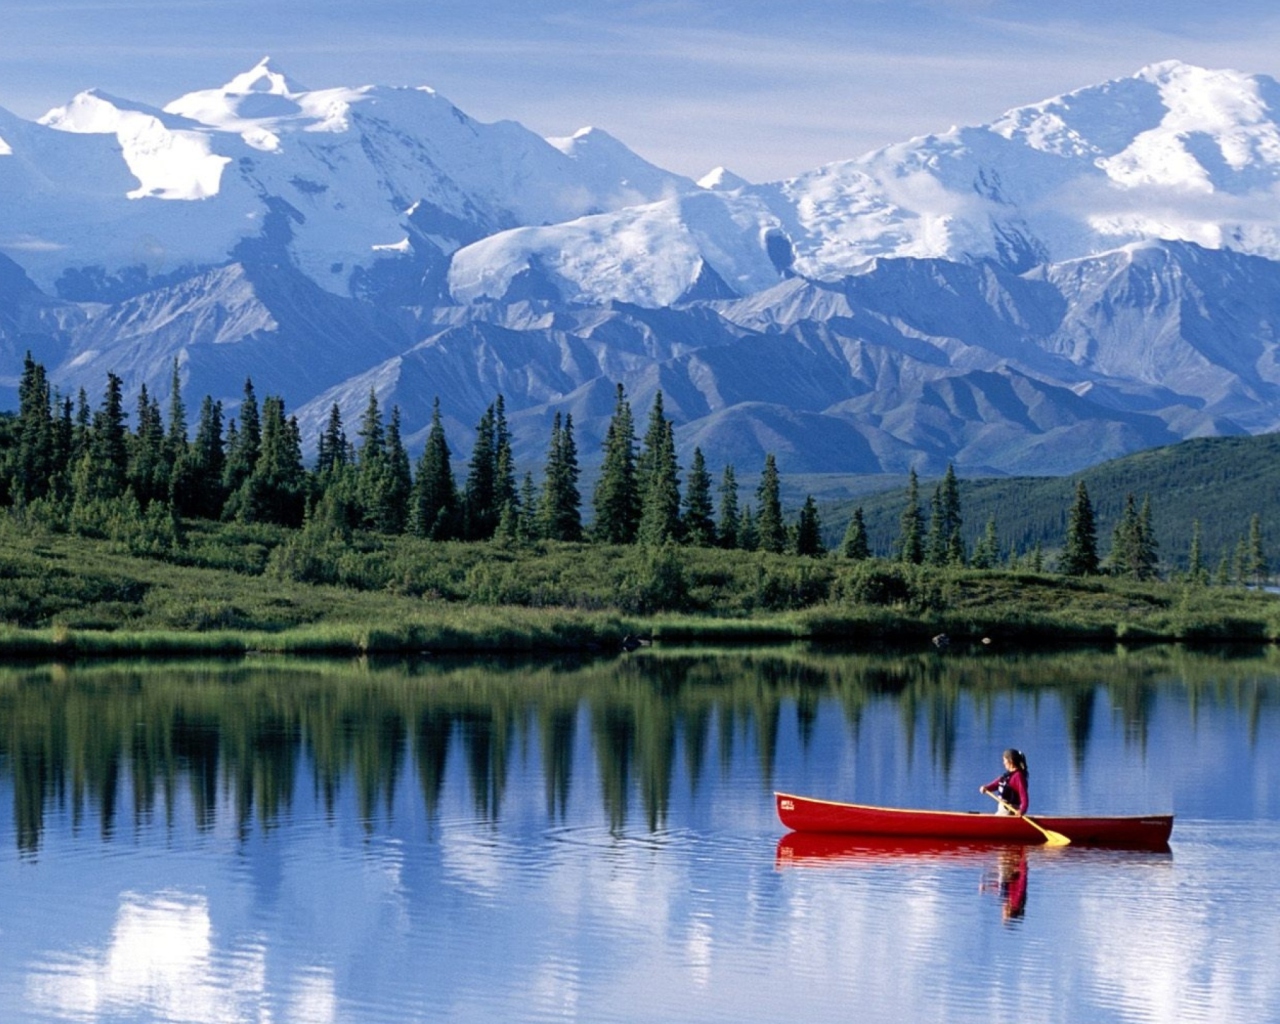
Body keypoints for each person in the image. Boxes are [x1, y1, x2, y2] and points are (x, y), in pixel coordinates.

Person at [980, 748, 1029, 815]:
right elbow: (996, 784)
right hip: (1002, 810)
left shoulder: (1018, 777)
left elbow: (1024, 796)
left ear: (1010, 761)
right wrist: (986, 788)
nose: (1003, 763)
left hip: (1009, 811)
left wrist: (1022, 810)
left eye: (1004, 760)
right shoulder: (1007, 776)